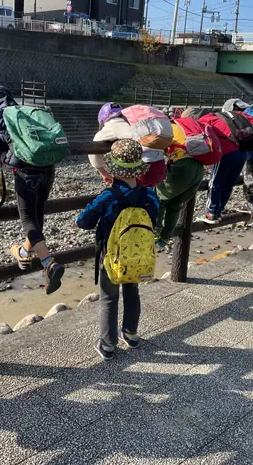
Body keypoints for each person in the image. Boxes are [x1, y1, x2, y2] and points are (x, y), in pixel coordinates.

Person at [0, 85, 65, 294]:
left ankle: (49, 264)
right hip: (48, 168)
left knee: (28, 220)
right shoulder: (25, 111)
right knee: (37, 216)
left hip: (25, 171)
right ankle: (23, 251)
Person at [76, 139, 159, 360]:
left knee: (109, 298)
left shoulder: (109, 196)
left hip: (111, 257)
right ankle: (131, 334)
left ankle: (108, 344)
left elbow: (83, 221)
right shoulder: (150, 195)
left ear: (113, 168)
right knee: (132, 292)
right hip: (138, 256)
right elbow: (155, 221)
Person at [89, 102, 169, 188]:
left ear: (102, 120)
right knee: (145, 194)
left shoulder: (112, 125)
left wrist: (102, 171)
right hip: (159, 165)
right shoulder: (134, 122)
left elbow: (95, 145)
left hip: (141, 168)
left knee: (128, 194)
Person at [154, 138, 205, 251]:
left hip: (182, 166)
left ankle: (155, 232)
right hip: (199, 169)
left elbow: (155, 153)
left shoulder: (165, 135)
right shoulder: (186, 134)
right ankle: (165, 238)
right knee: (175, 205)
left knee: (159, 199)